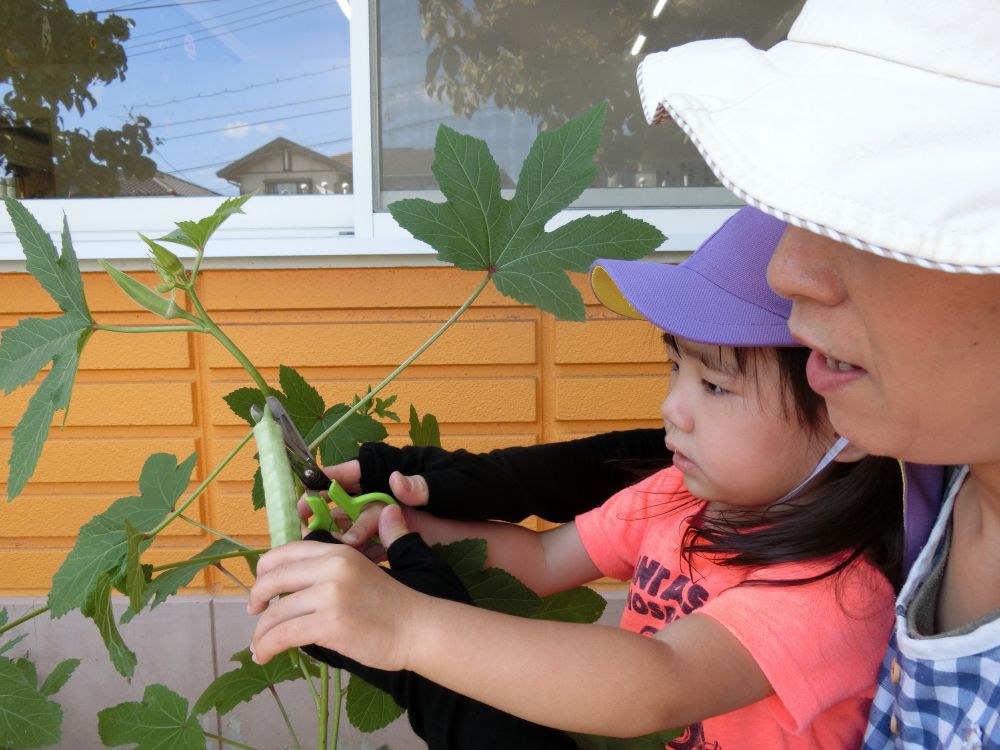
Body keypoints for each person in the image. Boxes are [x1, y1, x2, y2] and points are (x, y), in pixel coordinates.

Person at [248, 207, 906, 748]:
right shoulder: (674, 499)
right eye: (675, 370)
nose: (672, 408)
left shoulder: (839, 596)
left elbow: (659, 681)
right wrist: (409, 527)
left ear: (844, 422)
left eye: (714, 385)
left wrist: (408, 626)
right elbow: (539, 557)